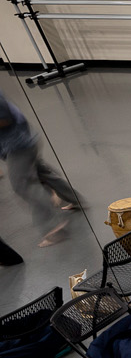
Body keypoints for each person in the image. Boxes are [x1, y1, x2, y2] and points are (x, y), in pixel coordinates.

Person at [0, 92, 83, 248]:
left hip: (18, 146)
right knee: (43, 174)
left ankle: (55, 229)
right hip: (22, 142)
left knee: (23, 186)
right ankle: (76, 199)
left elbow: (5, 118)